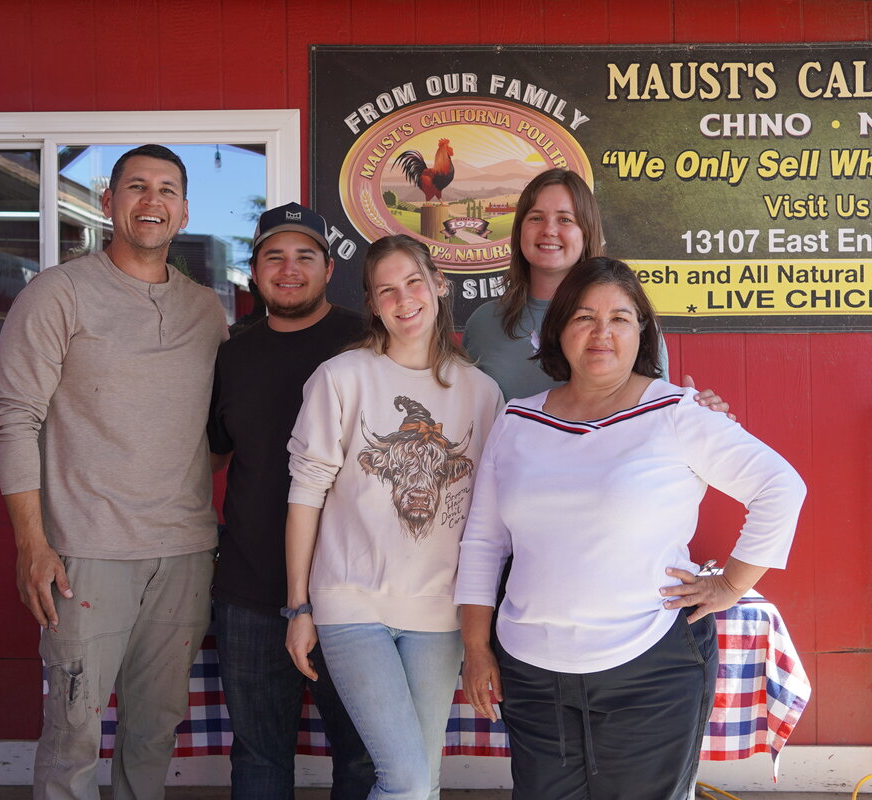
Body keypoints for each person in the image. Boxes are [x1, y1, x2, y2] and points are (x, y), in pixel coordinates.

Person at [455, 258, 806, 800]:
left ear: (641, 331)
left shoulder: (675, 413)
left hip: (650, 668)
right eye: (584, 317)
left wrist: (730, 584)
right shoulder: (517, 421)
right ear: (558, 329)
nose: (602, 333)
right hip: (531, 671)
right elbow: (482, 542)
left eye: (620, 318)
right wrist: (476, 646)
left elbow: (781, 487)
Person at [0, 144, 226, 800]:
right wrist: (32, 544)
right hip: (86, 553)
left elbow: (215, 424)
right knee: (73, 733)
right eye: (136, 187)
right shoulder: (58, 294)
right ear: (108, 203)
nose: (152, 201)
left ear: (184, 210)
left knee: (154, 729)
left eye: (167, 190)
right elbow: (14, 420)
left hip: (184, 552)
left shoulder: (207, 310)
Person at [284, 235, 503, 800]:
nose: (404, 300)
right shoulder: (341, 378)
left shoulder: (481, 393)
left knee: (423, 781)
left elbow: (491, 515)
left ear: (438, 285)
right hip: (351, 604)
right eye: (387, 291)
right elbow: (305, 495)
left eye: (413, 283)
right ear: (373, 303)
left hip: (440, 613)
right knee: (403, 780)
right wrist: (299, 605)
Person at [207, 201, 373, 799]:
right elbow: (214, 455)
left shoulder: (367, 342)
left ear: (329, 268)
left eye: (305, 255)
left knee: (361, 758)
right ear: (254, 271)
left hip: (350, 590)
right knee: (258, 756)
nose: (289, 268)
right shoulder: (231, 353)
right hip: (250, 589)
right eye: (274, 256)